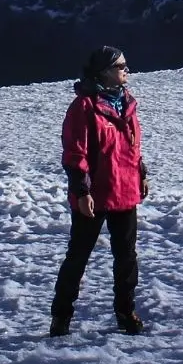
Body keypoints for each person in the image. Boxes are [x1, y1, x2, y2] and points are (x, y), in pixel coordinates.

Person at [50, 45, 151, 337]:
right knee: (78, 257)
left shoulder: (127, 103)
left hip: (125, 191)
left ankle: (125, 312)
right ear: (105, 71)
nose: (126, 71)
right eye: (121, 67)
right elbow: (75, 155)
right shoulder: (84, 107)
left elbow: (132, 147)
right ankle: (61, 318)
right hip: (94, 197)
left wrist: (141, 174)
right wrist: (82, 192)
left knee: (127, 257)